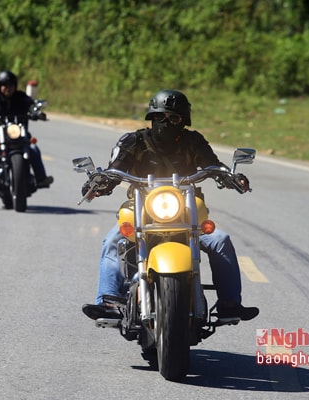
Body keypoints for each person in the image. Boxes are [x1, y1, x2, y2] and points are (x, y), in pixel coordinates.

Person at [81, 89, 259, 322]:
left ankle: (229, 303)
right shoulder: (134, 141)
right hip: (143, 210)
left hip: (186, 214)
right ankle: (109, 300)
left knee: (220, 240)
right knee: (114, 239)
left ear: (183, 121)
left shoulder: (193, 141)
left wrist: (231, 177)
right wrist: (99, 183)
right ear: (151, 118)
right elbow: (116, 167)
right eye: (160, 117)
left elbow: (213, 165)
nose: (165, 123)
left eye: (173, 119)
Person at [0, 70, 53, 191]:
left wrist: (36, 113)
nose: (8, 88)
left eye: (11, 85)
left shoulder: (21, 96)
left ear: (15, 86)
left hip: (19, 135)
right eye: (5, 85)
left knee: (33, 148)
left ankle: (41, 178)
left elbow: (30, 105)